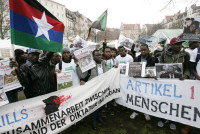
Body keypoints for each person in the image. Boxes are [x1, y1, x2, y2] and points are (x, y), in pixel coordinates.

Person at [158, 37, 190, 130]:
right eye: (177, 44)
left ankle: (172, 120)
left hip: (179, 83)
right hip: (166, 83)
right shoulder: (164, 54)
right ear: (172, 45)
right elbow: (160, 66)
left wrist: (186, 75)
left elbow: (188, 68)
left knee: (175, 102)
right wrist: (159, 75)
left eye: (180, 44)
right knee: (165, 100)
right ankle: (162, 118)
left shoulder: (185, 54)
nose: (179, 46)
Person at [76, 50, 107, 130]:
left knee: (101, 104)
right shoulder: (89, 63)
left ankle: (99, 118)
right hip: (93, 89)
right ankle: (93, 121)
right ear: (93, 56)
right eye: (97, 55)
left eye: (100, 55)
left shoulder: (104, 63)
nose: (99, 56)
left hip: (102, 87)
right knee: (93, 105)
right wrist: (78, 66)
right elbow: (82, 75)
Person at [130, 44, 158, 121]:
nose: (143, 51)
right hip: (139, 81)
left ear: (148, 50)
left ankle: (146, 112)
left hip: (148, 82)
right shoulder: (136, 58)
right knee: (138, 96)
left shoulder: (154, 59)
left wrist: (152, 75)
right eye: (141, 50)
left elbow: (157, 71)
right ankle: (136, 111)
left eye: (145, 50)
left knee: (147, 97)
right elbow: (134, 70)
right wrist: (134, 74)